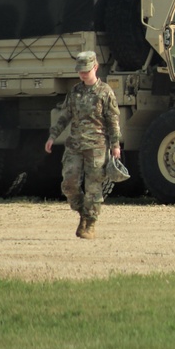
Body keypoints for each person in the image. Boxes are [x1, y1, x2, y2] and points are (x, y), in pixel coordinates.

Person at [45, 51, 121, 240]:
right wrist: (52, 136)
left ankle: (90, 223)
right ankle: (83, 213)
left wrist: (115, 145)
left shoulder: (105, 92)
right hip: (75, 146)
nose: (83, 74)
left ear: (95, 67)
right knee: (69, 184)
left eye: (86, 70)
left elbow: (113, 121)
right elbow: (65, 116)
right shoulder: (75, 91)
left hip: (97, 146)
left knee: (94, 187)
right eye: (80, 71)